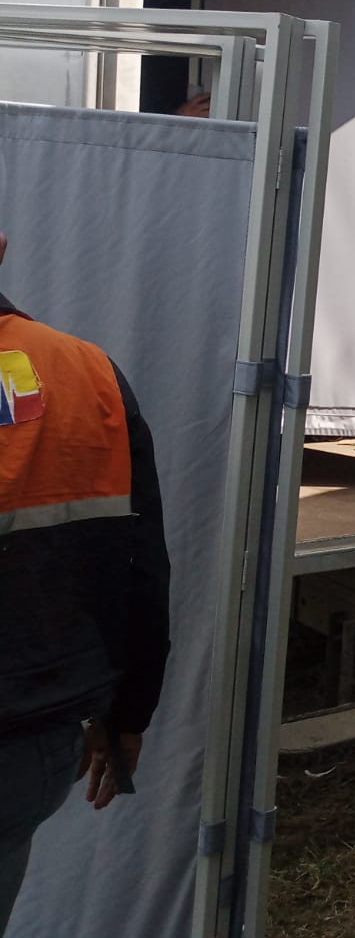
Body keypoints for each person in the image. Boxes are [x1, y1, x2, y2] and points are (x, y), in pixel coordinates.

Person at [0, 230, 171, 930]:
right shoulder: (85, 370)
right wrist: (126, 713)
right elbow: (140, 564)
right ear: (0, 247)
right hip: (32, 736)